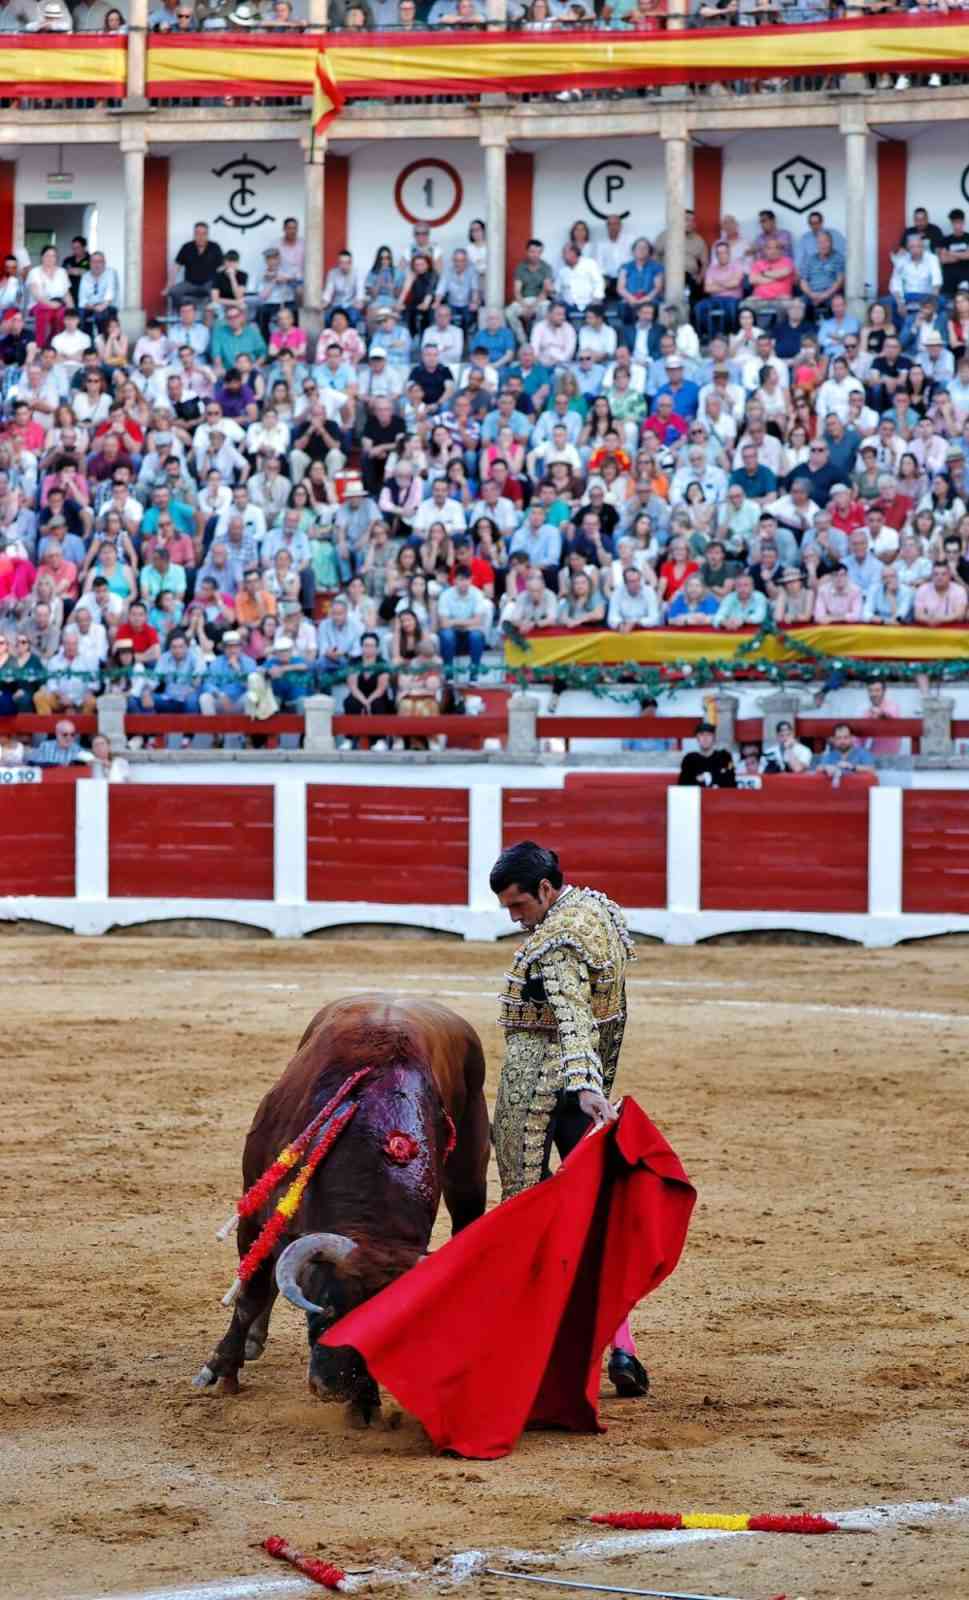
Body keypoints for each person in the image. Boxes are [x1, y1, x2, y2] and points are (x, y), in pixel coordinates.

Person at [489, 840, 647, 1400]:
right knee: (596, 1216)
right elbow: (612, 1012)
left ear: (545, 889)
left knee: (524, 1218)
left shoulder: (557, 941)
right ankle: (622, 1347)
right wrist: (595, 1084)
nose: (514, 918)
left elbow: (574, 1017)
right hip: (588, 1094)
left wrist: (582, 1084)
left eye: (519, 905)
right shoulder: (597, 911)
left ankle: (525, 1353)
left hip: (541, 1094)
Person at [677, 720, 736, 787]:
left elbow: (731, 781)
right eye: (702, 735)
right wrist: (697, 780)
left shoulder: (725, 757)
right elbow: (683, 784)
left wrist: (709, 777)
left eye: (709, 735)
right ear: (697, 738)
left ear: (714, 738)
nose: (705, 738)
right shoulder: (689, 759)